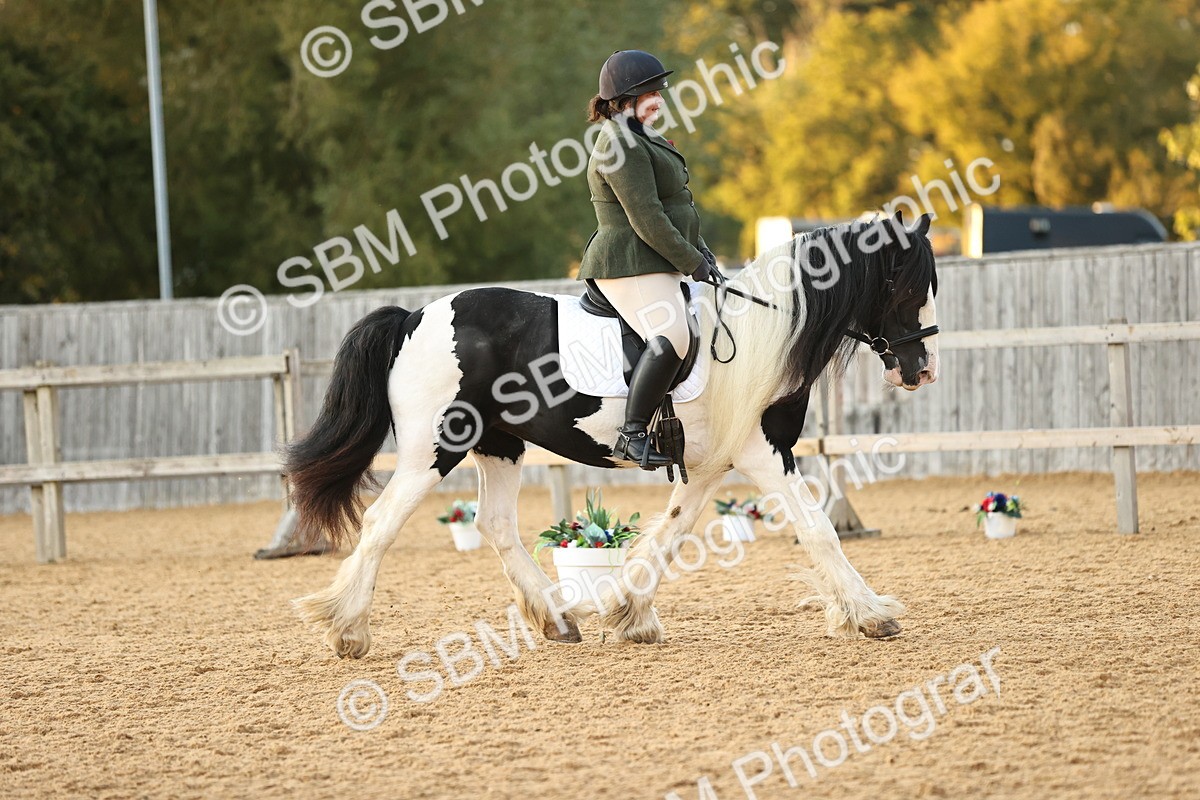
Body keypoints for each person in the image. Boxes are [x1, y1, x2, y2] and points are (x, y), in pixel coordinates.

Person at [579, 49, 717, 470]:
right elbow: (647, 218)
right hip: (628, 260)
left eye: (660, 90)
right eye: (650, 92)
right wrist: (690, 260)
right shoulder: (618, 144)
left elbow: (674, 203)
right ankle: (632, 433)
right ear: (623, 99)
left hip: (654, 258)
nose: (659, 98)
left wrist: (701, 249)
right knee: (673, 334)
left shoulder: (641, 134)